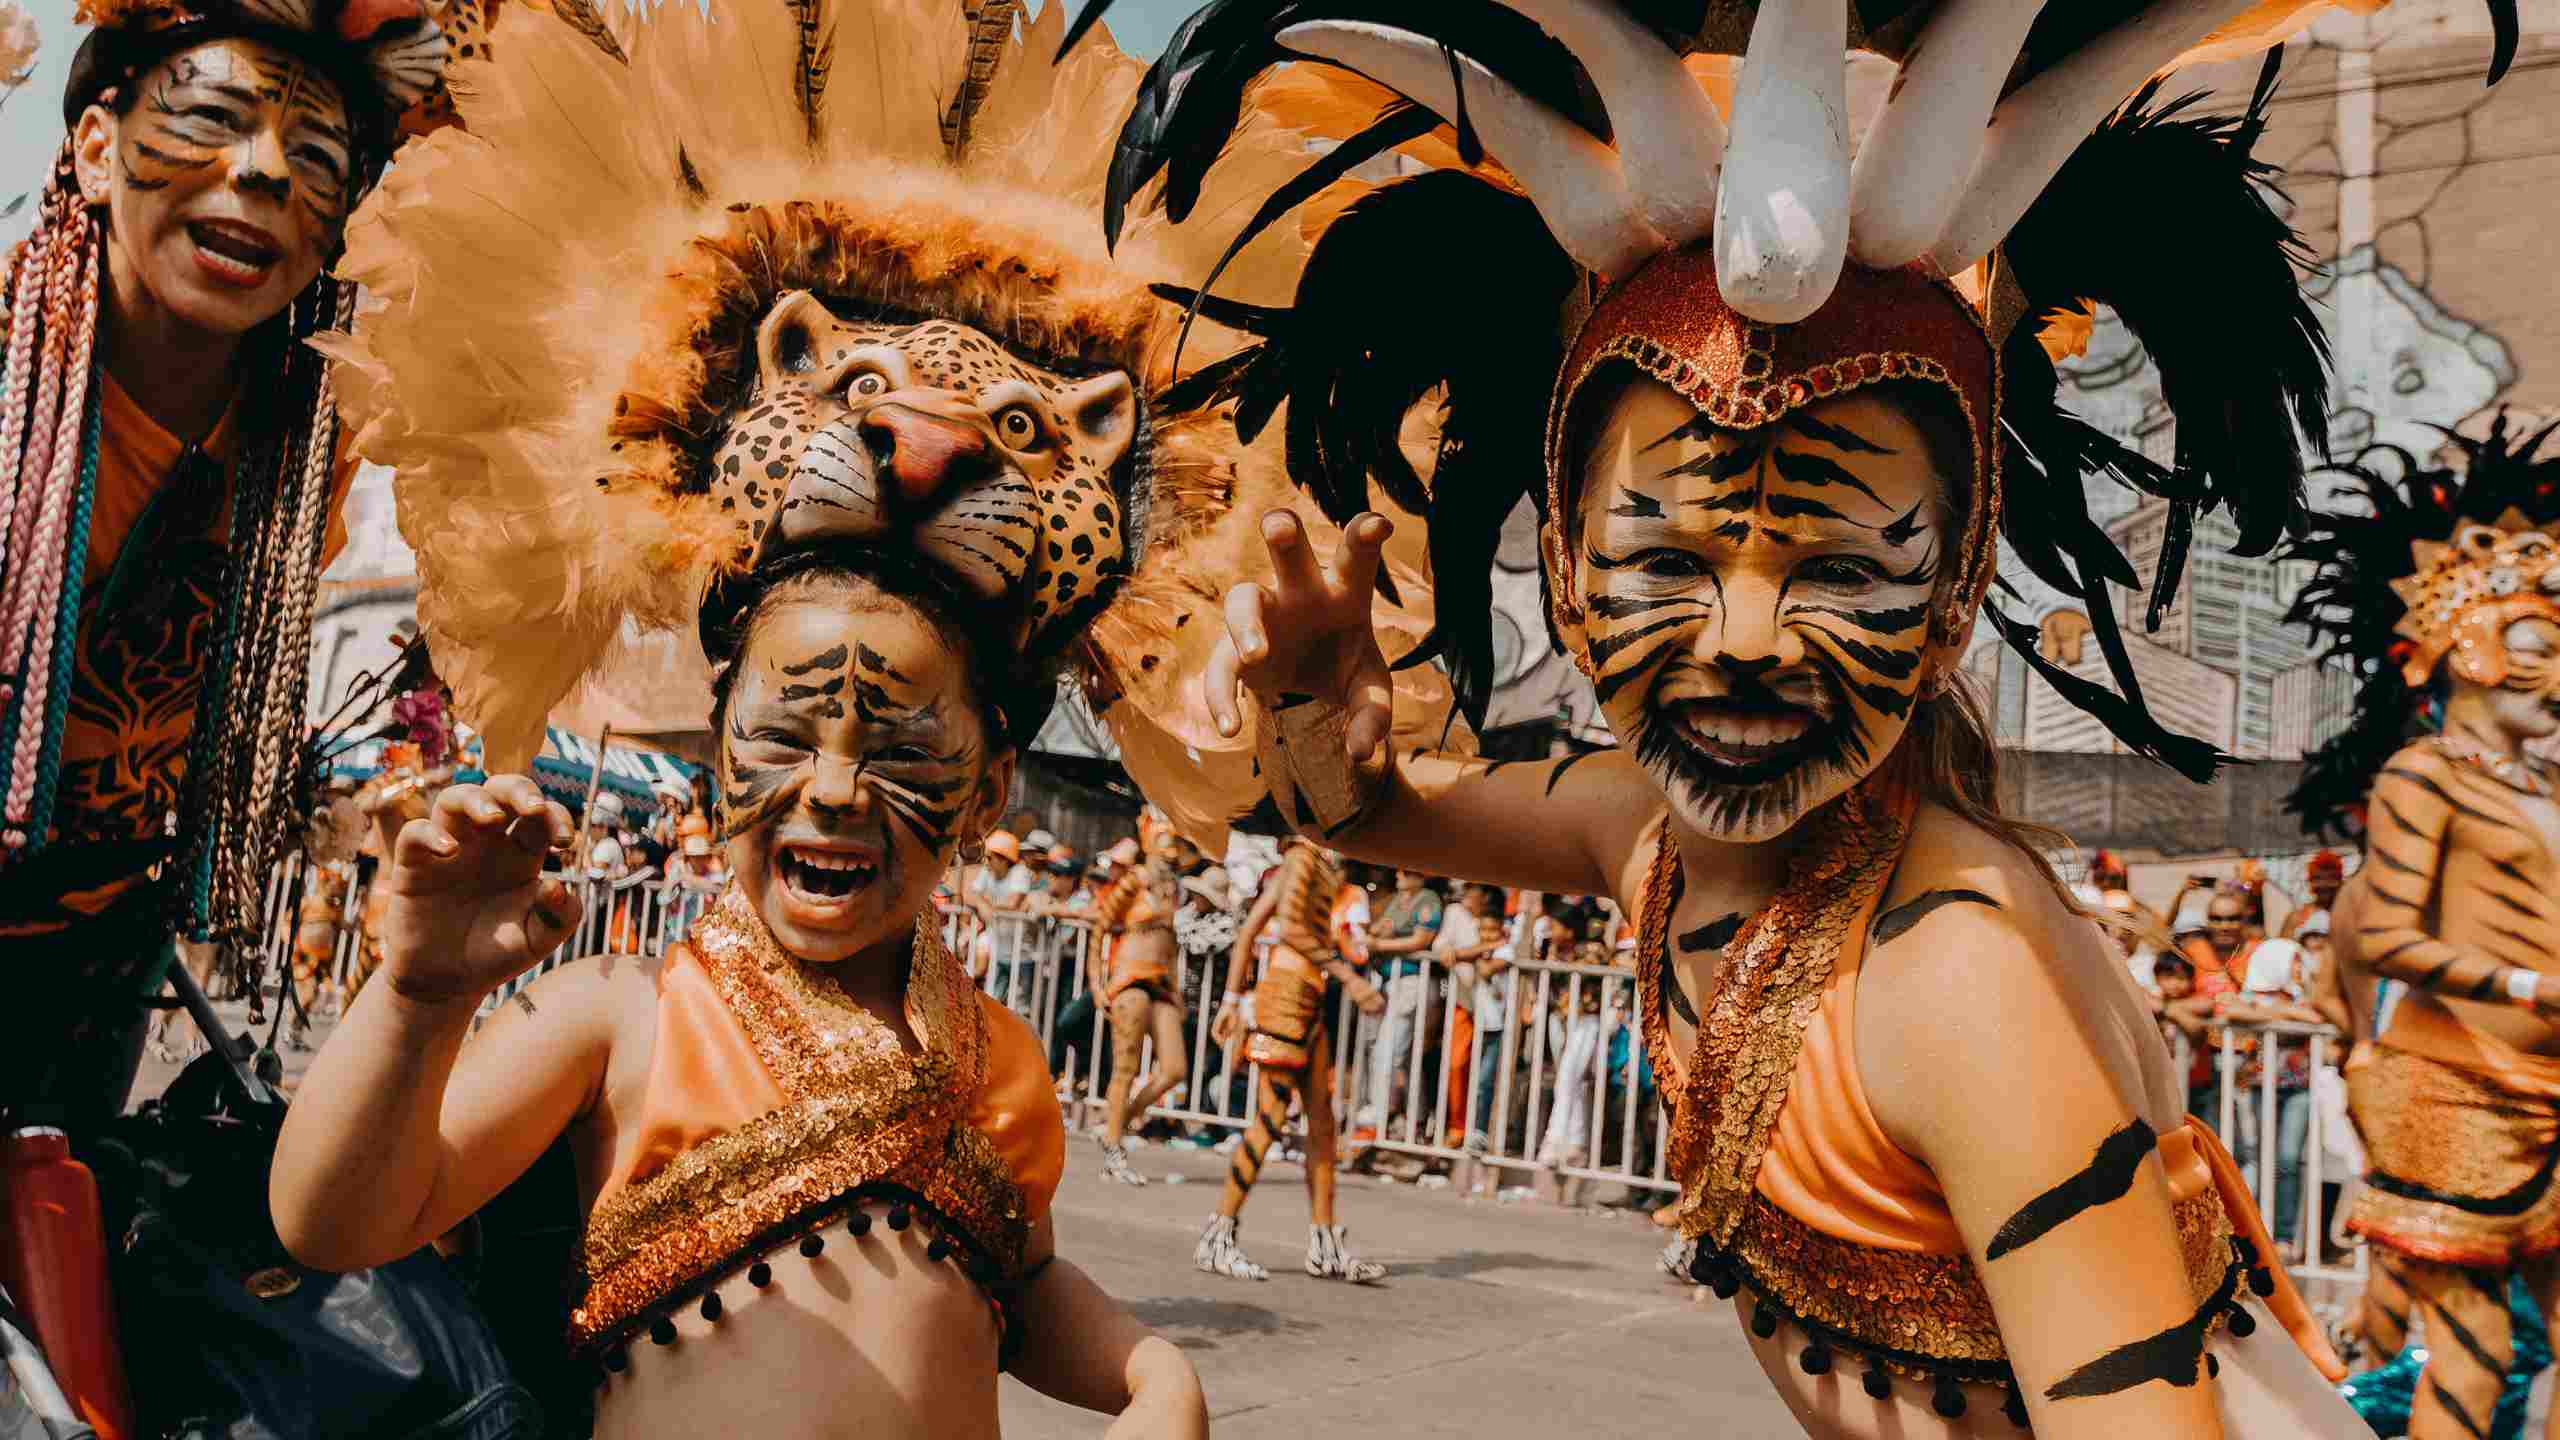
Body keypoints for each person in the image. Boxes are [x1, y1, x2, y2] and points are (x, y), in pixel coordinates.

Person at [1097, 1, 2444, 1427]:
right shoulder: (1657, 848)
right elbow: (1361, 817)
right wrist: (1319, 700)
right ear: (1562, 559)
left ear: (1951, 590)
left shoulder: (1955, 979)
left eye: (1844, 569)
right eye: (1669, 562)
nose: (1743, 643)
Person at [270, 1, 1387, 1430]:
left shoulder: (995, 1059)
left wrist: (1146, 1370)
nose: (838, 786)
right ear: (717, 742)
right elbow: (337, 1224)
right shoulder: (625, 1018)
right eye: (788, 732)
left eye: (907, 742)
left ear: (989, 794)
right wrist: (420, 997)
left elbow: (1017, 1279)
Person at [0, 0, 472, 1124]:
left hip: (94, 969)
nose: (262, 174)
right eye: (213, 118)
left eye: (316, 160)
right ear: (97, 143)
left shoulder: (317, 433)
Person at [2283, 413, 2560, 1440]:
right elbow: (2386, 936)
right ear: (2469, 653)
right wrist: (2529, 988)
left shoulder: (2546, 786)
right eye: (2536, 642)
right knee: (2473, 1352)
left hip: (2549, 1088)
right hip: (2457, 1095)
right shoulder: (2424, 780)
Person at [1203, 838, 1386, 1283]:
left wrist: (1231, 999)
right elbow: (1290, 930)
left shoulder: (1303, 860)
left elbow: (1250, 930)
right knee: (1271, 1118)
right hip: (1287, 999)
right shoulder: (1305, 857)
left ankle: (1324, 1244)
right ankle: (1218, 1238)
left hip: (1304, 999)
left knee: (1323, 1123)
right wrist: (1349, 978)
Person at [1088, 813, 1191, 1185]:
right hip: (1129, 980)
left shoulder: (1172, 890)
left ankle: (1118, 1121)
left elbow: (1172, 944)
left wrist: (1176, 991)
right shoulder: (1134, 880)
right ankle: (1114, 1151)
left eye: (1174, 842)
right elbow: (1099, 926)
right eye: (1164, 840)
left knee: (1174, 1069)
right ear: (1149, 844)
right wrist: (1097, 984)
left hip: (1160, 984)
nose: (1171, 849)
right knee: (1125, 1069)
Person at [1362, 867, 1443, 1135]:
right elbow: (1382, 929)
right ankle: (1416, 1118)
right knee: (1404, 1058)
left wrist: (1380, 946)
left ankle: (1380, 1112)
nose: (1398, 875)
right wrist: (1374, 935)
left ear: (1420, 875)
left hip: (1412, 982)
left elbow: (1421, 940)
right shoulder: (1398, 901)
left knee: (1388, 1052)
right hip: (1391, 981)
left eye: (1406, 871)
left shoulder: (1428, 899)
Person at [2283, 851, 2344, 940]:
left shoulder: (2350, 915)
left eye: (2331, 878)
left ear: (2340, 881)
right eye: (2318, 878)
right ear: (2310, 881)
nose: (2324, 884)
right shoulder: (2297, 918)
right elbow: (2282, 950)